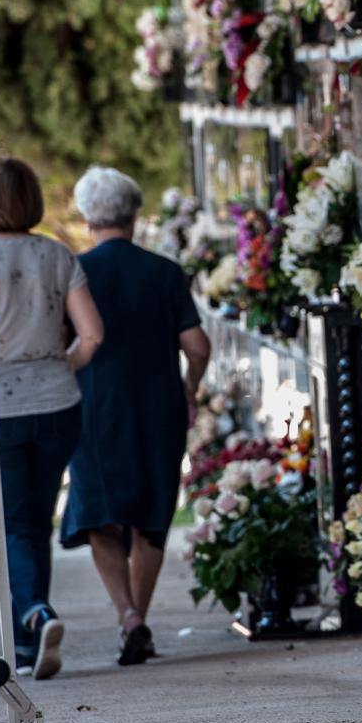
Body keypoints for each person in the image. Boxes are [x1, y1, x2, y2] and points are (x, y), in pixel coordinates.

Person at [62, 166, 211, 666]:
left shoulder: (74, 272)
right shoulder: (164, 272)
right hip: (157, 408)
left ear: (87, 219)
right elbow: (197, 345)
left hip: (91, 408)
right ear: (135, 214)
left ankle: (127, 615)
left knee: (101, 515)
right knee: (151, 514)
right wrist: (189, 387)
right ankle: (138, 619)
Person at [0, 154, 104, 680]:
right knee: (32, 524)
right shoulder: (58, 255)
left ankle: (35, 613)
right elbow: (92, 334)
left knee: (6, 527)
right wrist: (60, 365)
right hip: (57, 405)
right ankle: (29, 644)